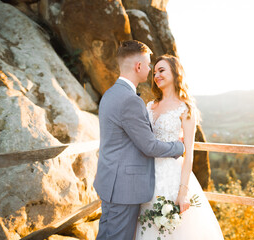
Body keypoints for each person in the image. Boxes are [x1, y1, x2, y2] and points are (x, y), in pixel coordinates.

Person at [93, 41, 185, 240]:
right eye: (149, 64)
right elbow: (149, 146)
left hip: (109, 181)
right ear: (138, 66)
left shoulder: (109, 94)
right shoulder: (130, 100)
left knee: (105, 236)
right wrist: (179, 146)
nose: (151, 69)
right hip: (124, 188)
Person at [135, 55, 224, 239]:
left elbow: (189, 153)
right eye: (154, 72)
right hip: (147, 177)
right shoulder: (149, 106)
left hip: (172, 178)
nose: (156, 75)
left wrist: (182, 192)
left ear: (175, 74)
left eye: (161, 70)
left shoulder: (185, 109)